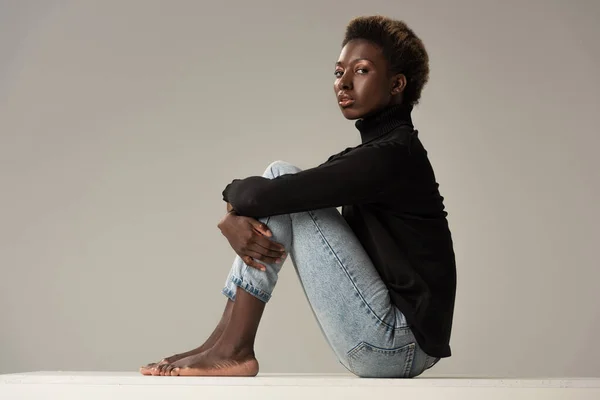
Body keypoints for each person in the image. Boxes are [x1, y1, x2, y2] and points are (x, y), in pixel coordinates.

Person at [140, 15, 456, 378]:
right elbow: (272, 198)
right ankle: (221, 342)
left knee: (280, 178)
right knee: (283, 189)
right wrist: (241, 208)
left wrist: (231, 208)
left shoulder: (392, 156)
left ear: (397, 83)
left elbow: (267, 196)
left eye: (362, 70)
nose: (344, 83)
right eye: (339, 72)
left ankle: (235, 348)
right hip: (392, 341)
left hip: (395, 343)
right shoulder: (379, 154)